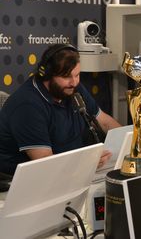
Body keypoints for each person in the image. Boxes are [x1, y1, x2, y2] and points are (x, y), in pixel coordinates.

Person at [0, 44, 121, 175]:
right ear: (47, 75)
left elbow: (104, 122)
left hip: (71, 171)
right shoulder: (27, 106)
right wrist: (86, 164)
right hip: (19, 182)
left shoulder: (73, 89)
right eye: (66, 77)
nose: (74, 82)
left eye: (77, 75)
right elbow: (46, 163)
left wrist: (130, 144)